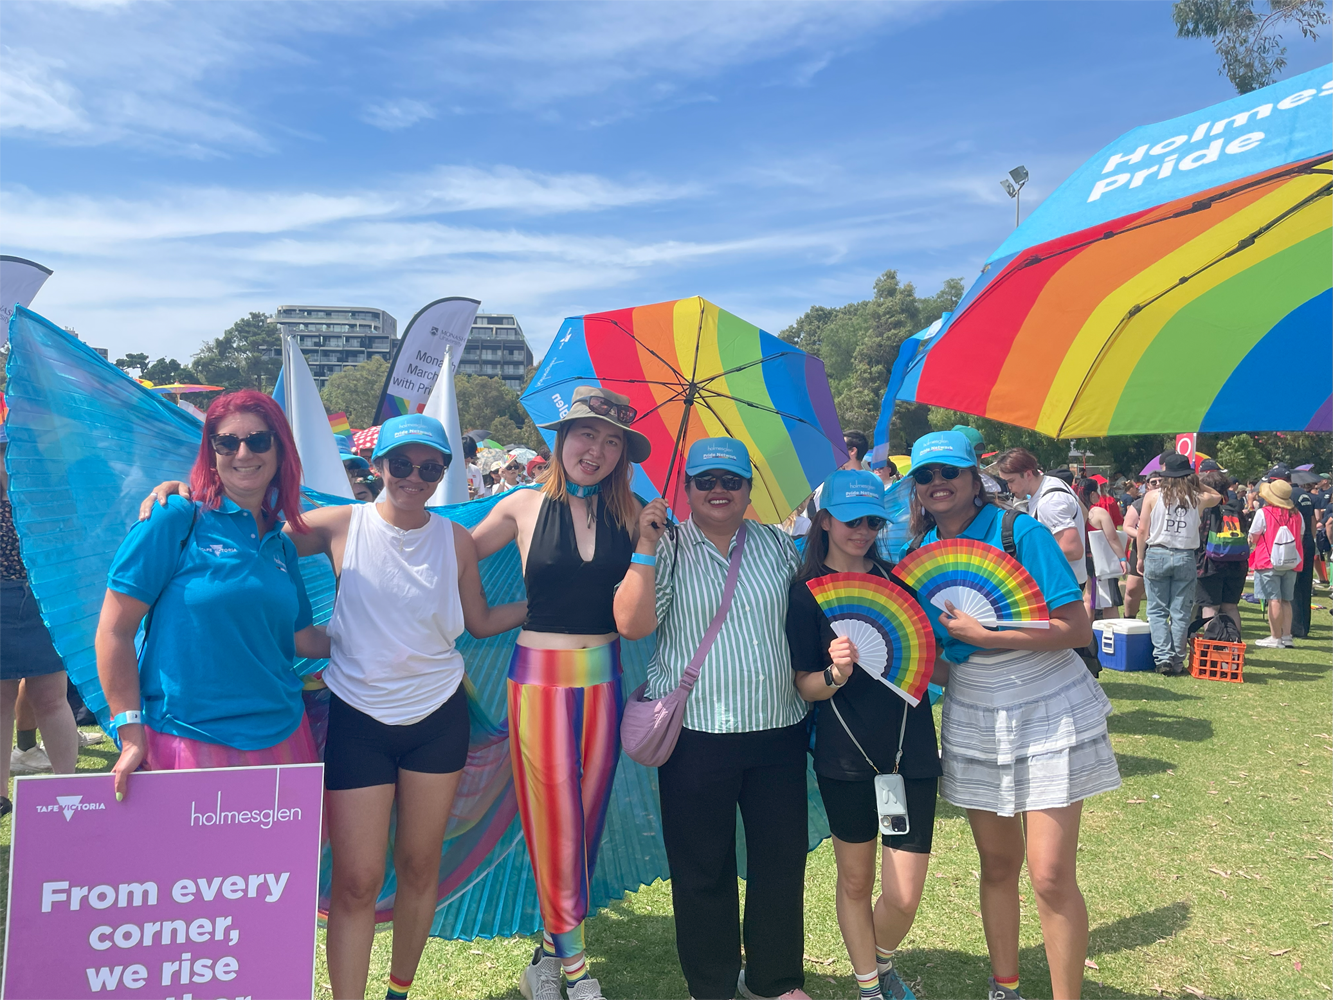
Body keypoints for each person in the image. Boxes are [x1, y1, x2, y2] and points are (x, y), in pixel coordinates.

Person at [143, 412, 526, 1000]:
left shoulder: (455, 540)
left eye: (430, 468)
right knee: (357, 880)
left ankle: (399, 990)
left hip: (438, 718)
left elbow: (477, 621)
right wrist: (185, 496)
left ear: (446, 472)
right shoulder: (340, 524)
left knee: (420, 865)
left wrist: (544, 604)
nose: (414, 477)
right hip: (358, 719)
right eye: (401, 464)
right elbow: (243, 527)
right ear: (376, 468)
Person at [905, 431, 1117, 1000]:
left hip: (1047, 703)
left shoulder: (1018, 531)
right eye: (925, 476)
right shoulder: (915, 560)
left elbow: (1075, 629)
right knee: (997, 865)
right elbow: (943, 660)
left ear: (976, 478)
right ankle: (1005, 987)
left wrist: (986, 635)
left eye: (950, 471)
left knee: (1049, 874)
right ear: (916, 490)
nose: (937, 484)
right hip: (976, 711)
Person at [472, 386, 653, 1000]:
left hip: (605, 677)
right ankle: (575, 970)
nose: (596, 449)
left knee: (587, 820)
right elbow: (447, 553)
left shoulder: (634, 513)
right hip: (539, 683)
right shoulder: (521, 505)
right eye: (586, 434)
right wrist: (488, 614)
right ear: (561, 438)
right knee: (554, 817)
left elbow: (663, 593)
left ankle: (548, 959)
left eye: (611, 442)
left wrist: (655, 539)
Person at [616, 437, 812, 1000]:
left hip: (776, 727)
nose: (719, 491)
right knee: (703, 868)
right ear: (687, 487)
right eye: (706, 481)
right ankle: (714, 984)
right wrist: (645, 548)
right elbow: (632, 625)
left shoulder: (779, 546)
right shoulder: (667, 545)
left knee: (779, 863)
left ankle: (774, 980)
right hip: (697, 733)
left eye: (732, 481)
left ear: (749, 489)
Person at [99, 391, 331, 802]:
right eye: (227, 442)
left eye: (259, 440)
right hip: (188, 739)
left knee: (276, 867)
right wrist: (131, 731)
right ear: (211, 452)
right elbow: (114, 632)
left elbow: (303, 639)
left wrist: (382, 631)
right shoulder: (173, 518)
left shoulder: (282, 546)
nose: (244, 453)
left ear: (281, 451)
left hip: (281, 738)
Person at [787, 470, 941, 1000]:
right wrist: (834, 674)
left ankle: (880, 960)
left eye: (873, 521)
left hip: (910, 752)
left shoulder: (902, 583)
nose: (863, 531)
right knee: (855, 882)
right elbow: (804, 686)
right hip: (845, 756)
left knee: (903, 895)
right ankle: (869, 987)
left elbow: (927, 664)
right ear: (825, 520)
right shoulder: (806, 595)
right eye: (852, 520)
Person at [0, 430, 80, 816]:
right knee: (0, 702)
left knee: (51, 698)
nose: (8, 460)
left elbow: (73, 548)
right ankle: (0, 797)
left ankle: (69, 789)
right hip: (5, 605)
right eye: (3, 452)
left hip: (45, 603)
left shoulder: (48, 499)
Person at [1136, 454, 1221, 674]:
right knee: (1181, 611)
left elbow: (1142, 529)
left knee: (1156, 610)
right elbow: (1218, 496)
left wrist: (1140, 556)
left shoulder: (1153, 496)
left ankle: (1163, 657)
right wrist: (1196, 480)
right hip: (1185, 555)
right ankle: (1176, 660)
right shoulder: (1197, 497)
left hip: (1157, 552)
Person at [996, 448, 1087, 590]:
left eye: (1011, 481)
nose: (1008, 487)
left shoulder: (1049, 503)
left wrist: (1025, 559)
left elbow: (1073, 550)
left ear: (1027, 474)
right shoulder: (1054, 482)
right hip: (1067, 579)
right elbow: (1083, 512)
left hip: (1060, 584)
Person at [1248, 478, 1305, 649]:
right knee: (1287, 599)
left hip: (1268, 561)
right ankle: (1287, 636)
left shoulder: (1264, 513)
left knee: (1274, 599)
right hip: (1291, 561)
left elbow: (1254, 536)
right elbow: (1300, 537)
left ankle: (1275, 636)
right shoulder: (1297, 514)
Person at [1195, 469, 1249, 633]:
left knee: (1210, 607)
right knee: (1231, 607)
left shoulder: (1205, 509)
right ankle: (1233, 647)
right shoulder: (1235, 508)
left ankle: (1213, 646)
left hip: (1210, 564)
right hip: (1237, 564)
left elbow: (1198, 536)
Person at [1076, 478, 1125, 621]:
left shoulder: (1077, 510)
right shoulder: (1098, 512)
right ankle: (1111, 632)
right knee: (1109, 600)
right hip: (1100, 560)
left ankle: (1086, 635)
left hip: (1082, 559)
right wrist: (1122, 558)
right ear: (1092, 494)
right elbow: (1113, 538)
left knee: (1088, 597)